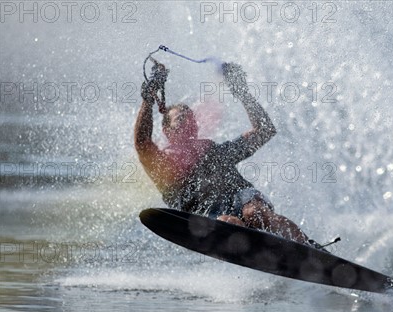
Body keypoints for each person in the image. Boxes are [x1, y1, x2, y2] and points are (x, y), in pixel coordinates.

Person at [134, 60, 318, 246]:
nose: (190, 123)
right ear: (167, 131)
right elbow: (141, 142)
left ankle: (308, 246)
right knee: (229, 223)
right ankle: (255, 246)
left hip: (243, 198)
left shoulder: (216, 152)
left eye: (193, 120)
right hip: (206, 216)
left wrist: (241, 91)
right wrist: (148, 96)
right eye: (181, 119)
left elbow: (264, 130)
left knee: (255, 214)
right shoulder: (162, 163)